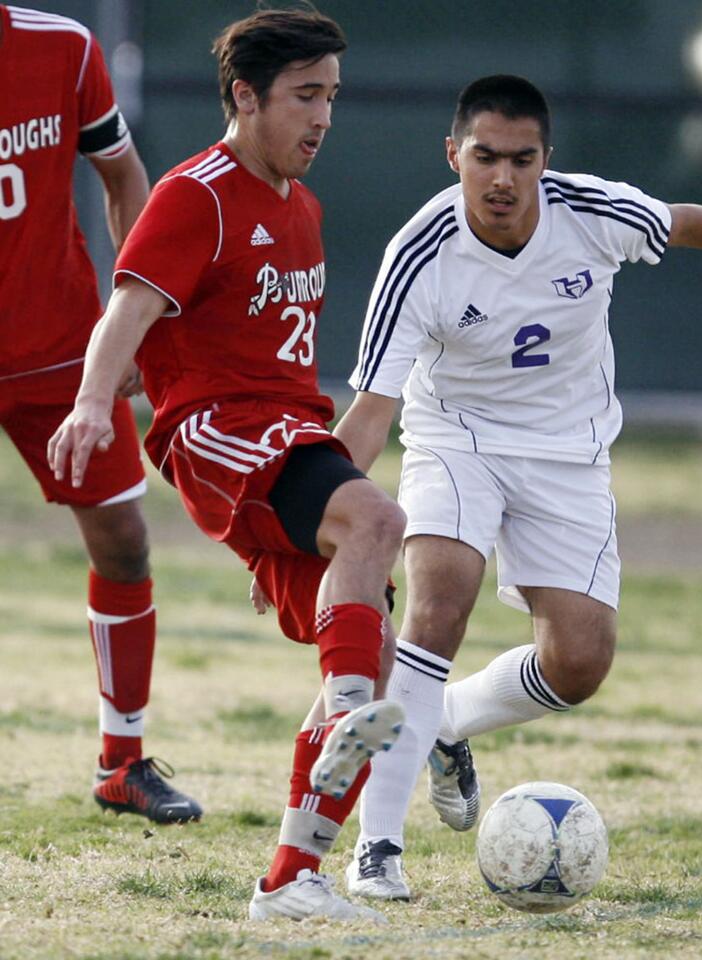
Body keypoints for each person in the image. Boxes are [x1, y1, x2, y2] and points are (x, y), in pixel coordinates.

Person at [333, 74, 702, 900]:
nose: (501, 178)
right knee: (438, 606)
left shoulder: (591, 211)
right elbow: (370, 411)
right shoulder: (418, 255)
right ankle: (376, 852)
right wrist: (315, 514)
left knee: (578, 662)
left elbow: (682, 222)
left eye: (521, 159)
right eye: (483, 157)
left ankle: (448, 722)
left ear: (545, 159)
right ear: (452, 155)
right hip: (456, 438)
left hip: (568, 453)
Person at [48, 7, 406, 924]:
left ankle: (293, 878)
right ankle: (350, 708)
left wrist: (277, 527)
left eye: (330, 96)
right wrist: (94, 402)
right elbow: (125, 313)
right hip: (213, 430)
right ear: (245, 97)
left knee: (374, 653)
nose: (322, 117)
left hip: (283, 439)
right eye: (303, 96)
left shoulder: (305, 207)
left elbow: (281, 355)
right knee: (377, 522)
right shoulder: (194, 194)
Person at [0, 3, 202, 824]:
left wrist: (132, 329)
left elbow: (123, 176)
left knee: (122, 538)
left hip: (56, 346)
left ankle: (122, 764)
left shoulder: (62, 47)